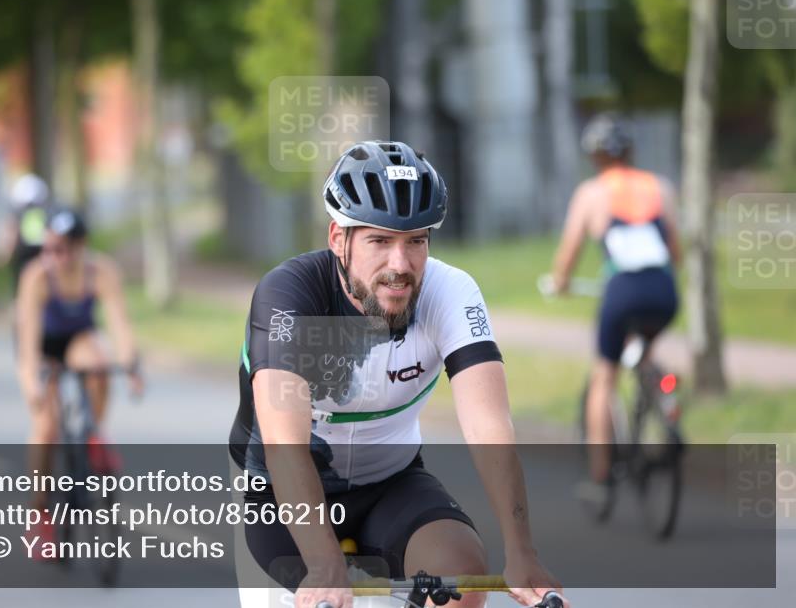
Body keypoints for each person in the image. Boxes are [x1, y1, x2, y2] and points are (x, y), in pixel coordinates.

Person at [230, 141, 562, 608]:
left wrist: (522, 551)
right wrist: (326, 565)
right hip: (285, 496)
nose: (400, 266)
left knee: (461, 581)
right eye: (380, 241)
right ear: (337, 238)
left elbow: (488, 425)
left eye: (416, 241)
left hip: (391, 484)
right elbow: (285, 446)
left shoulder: (452, 291)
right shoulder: (289, 296)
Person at [550, 113, 681, 489]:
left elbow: (568, 254)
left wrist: (561, 282)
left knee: (604, 377)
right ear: (631, 151)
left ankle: (600, 473)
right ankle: (667, 405)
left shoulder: (591, 194)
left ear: (594, 157)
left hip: (622, 292)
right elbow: (676, 252)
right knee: (647, 351)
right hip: (663, 291)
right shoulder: (661, 187)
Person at [14, 207, 144, 551]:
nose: (55, 257)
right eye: (49, 249)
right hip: (44, 347)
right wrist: (32, 383)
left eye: (63, 249)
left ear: (81, 245)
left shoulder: (100, 272)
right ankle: (40, 512)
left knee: (98, 362)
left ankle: (92, 434)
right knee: (45, 427)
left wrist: (130, 365)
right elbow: (27, 340)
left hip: (79, 340)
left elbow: (119, 324)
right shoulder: (37, 277)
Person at [0, 173, 51, 292]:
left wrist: (3, 254)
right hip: (42, 257)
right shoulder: (46, 213)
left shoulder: (18, 214)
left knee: (23, 292)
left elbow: (10, 234)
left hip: (24, 259)